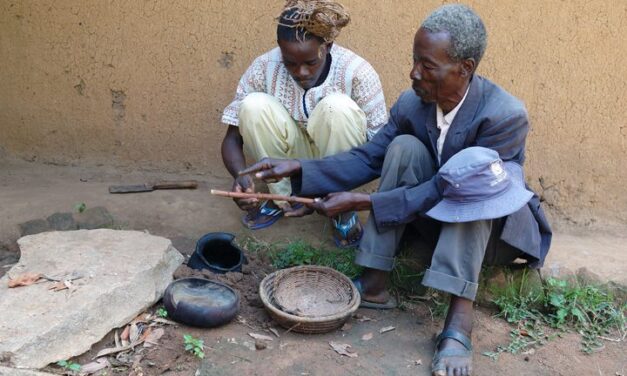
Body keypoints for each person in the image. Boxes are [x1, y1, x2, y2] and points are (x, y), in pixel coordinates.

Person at [240, 4, 552, 376]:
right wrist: (299, 169)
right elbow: (371, 157)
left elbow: (448, 189)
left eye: (427, 65)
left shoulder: (504, 116)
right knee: (403, 148)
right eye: (414, 60)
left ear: (465, 68)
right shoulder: (413, 103)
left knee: (471, 183)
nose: (413, 73)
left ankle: (458, 320)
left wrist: (367, 201)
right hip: (433, 220)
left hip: (489, 235)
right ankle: (374, 281)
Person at [221, 0, 387, 247]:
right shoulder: (264, 67)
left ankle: (340, 208)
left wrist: (321, 185)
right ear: (280, 49)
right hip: (286, 162)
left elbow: (379, 149)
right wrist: (241, 176)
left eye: (310, 62)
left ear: (327, 46)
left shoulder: (356, 72)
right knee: (253, 105)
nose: (301, 72)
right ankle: (282, 199)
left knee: (337, 108)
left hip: (338, 162)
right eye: (290, 63)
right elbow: (232, 138)